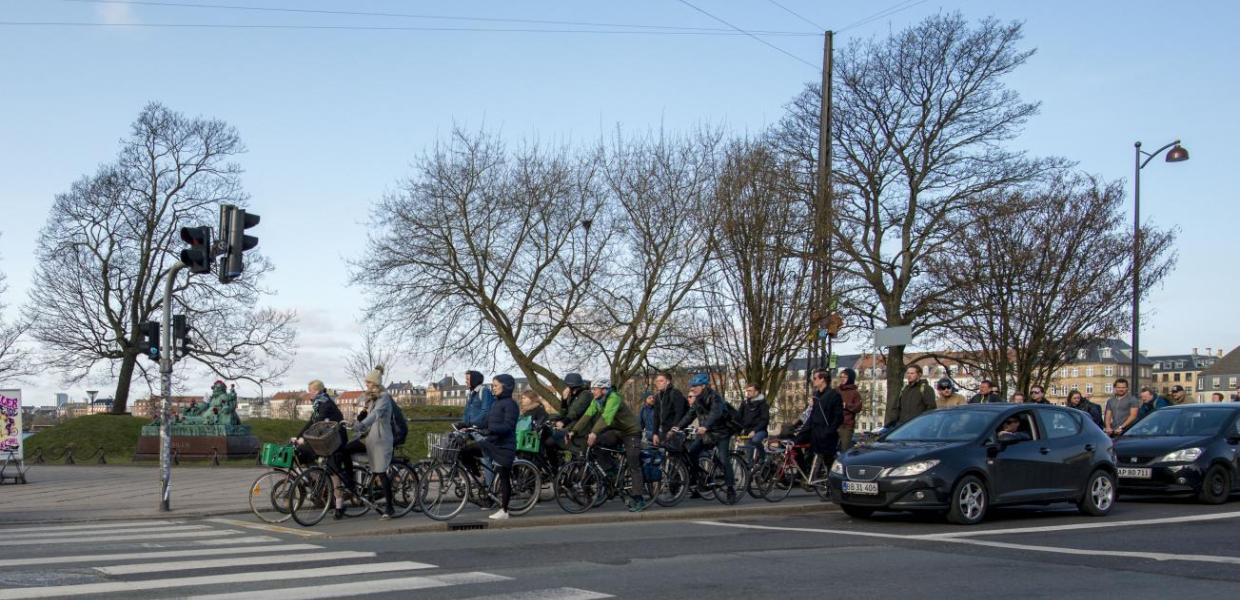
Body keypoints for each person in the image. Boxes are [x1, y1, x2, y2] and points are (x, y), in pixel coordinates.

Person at [568, 379, 647, 512]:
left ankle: (639, 499)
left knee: (633, 462)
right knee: (596, 444)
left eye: (595, 389)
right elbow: (587, 415)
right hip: (617, 431)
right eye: (592, 389)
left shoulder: (613, 398)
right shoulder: (597, 401)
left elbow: (606, 418)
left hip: (631, 432)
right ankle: (612, 470)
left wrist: (593, 432)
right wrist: (574, 431)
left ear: (604, 389)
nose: (592, 392)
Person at [341, 366, 396, 519]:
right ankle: (351, 483)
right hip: (369, 438)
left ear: (375, 383)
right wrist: (354, 420)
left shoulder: (384, 397)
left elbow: (376, 415)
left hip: (381, 439)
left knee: (381, 472)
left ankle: (389, 508)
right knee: (345, 449)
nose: (366, 385)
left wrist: (363, 424)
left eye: (368, 383)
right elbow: (365, 413)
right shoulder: (372, 398)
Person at [675, 373, 739, 504]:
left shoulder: (715, 398)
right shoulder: (697, 400)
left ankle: (730, 488)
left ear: (703, 386)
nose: (693, 389)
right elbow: (690, 415)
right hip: (707, 433)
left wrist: (705, 426)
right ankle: (700, 477)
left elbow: (716, 413)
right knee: (692, 452)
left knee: (723, 458)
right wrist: (677, 427)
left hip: (721, 433)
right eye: (692, 386)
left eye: (695, 386)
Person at [291, 380, 349, 519]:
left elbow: (319, 423)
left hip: (335, 441)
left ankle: (339, 506)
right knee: (305, 455)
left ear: (316, 391)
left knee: (334, 471)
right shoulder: (318, 404)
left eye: (310, 390)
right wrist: (298, 436)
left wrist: (304, 439)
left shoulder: (326, 404)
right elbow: (311, 422)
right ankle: (319, 482)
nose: (308, 393)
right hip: (325, 439)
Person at [472, 375, 519, 520]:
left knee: (504, 477)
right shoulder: (495, 403)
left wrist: (491, 429)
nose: (493, 388)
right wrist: (467, 426)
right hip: (493, 442)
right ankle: (480, 478)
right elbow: (487, 421)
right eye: (493, 385)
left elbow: (508, 426)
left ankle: (504, 511)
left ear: (506, 387)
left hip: (505, 445)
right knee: (466, 451)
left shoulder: (511, 405)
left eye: (496, 385)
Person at [802, 369, 844, 473]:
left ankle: (831, 484)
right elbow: (812, 416)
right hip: (815, 432)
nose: (813, 380)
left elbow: (838, 416)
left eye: (815, 378)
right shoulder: (816, 395)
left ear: (823, 380)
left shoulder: (834, 395)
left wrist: (829, 431)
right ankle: (804, 474)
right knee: (795, 445)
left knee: (828, 460)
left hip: (826, 433)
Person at [651, 372, 688, 446]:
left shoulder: (675, 393)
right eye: (657, 381)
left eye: (661, 381)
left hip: (676, 432)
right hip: (663, 432)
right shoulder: (657, 397)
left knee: (675, 456)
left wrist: (673, 430)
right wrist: (655, 433)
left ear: (668, 382)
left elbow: (679, 414)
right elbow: (656, 416)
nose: (658, 383)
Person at [737, 384, 770, 463]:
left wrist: (755, 431)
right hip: (748, 432)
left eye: (750, 391)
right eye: (747, 390)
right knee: (748, 458)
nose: (747, 392)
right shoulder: (745, 403)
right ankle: (750, 472)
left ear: (756, 392)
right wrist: (738, 432)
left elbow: (765, 420)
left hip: (760, 431)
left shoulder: (763, 404)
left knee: (755, 440)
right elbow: (738, 417)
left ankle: (763, 457)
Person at [837, 369, 863, 451]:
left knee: (844, 449)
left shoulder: (854, 393)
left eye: (845, 377)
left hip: (846, 426)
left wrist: (846, 405)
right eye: (841, 377)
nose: (842, 379)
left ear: (850, 378)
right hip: (834, 424)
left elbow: (858, 407)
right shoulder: (836, 390)